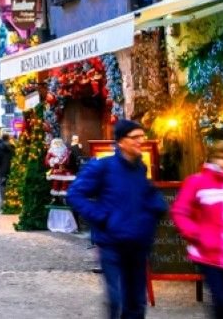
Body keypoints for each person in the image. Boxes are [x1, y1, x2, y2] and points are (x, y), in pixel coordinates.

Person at [67, 119, 168, 319]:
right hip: (112, 244)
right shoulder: (102, 168)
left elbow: (146, 194)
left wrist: (156, 207)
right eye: (135, 137)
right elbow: (75, 194)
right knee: (116, 300)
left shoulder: (140, 169)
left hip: (138, 244)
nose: (141, 141)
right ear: (121, 142)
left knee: (136, 304)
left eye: (142, 137)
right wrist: (102, 217)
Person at [172, 140, 223, 319]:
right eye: (222, 158)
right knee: (222, 301)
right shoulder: (197, 182)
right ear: (213, 159)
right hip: (208, 254)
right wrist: (196, 234)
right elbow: (180, 211)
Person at [0, 134, 15, 201]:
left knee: (2, 184)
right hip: (11, 167)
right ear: (8, 139)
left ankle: (4, 199)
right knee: (10, 183)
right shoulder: (12, 146)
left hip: (2, 168)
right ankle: (11, 198)